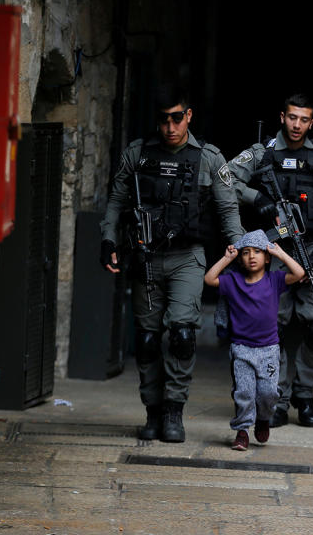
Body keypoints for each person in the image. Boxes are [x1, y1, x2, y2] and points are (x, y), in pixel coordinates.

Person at [99, 84, 243, 443]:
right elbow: (116, 200)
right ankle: (152, 410)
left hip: (187, 259)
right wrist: (108, 239)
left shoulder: (208, 157)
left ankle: (174, 411)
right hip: (146, 258)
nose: (170, 127)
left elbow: (227, 209)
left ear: (188, 116)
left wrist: (239, 251)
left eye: (177, 118)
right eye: (163, 120)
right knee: (147, 339)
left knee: (181, 334)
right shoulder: (138, 154)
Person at [227, 93, 313, 428]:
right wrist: (255, 197)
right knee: (268, 328)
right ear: (282, 117)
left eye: (304, 119)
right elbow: (224, 179)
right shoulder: (262, 153)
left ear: (311, 122)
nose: (297, 125)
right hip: (271, 256)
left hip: (310, 254)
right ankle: (273, 396)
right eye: (292, 117)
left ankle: (304, 394)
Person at [204, 230, 305, 450]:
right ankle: (242, 431)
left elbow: (299, 273)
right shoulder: (233, 281)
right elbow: (209, 278)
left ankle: (263, 419)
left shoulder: (275, 280)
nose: (252, 256)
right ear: (240, 258)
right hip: (242, 350)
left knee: (269, 392)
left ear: (266, 257)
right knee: (244, 392)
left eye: (258, 252)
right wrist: (226, 258)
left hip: (268, 350)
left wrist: (281, 253)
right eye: (246, 252)